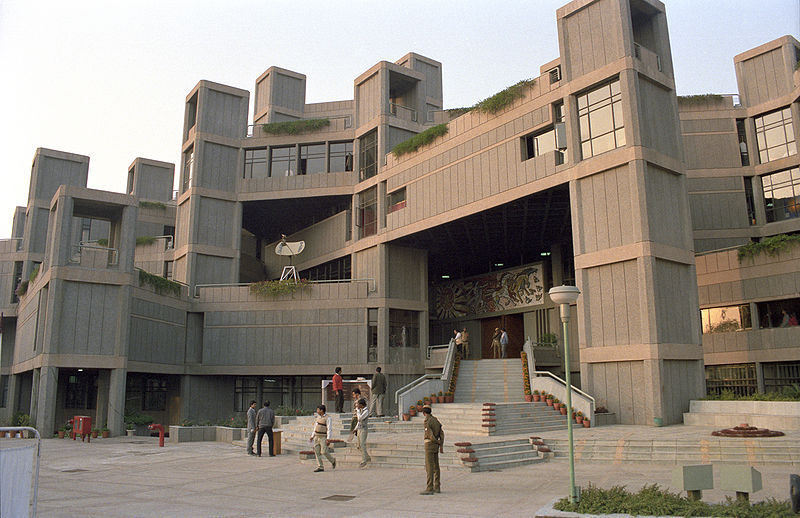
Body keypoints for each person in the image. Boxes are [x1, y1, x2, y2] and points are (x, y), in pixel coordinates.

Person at [420, 405, 444, 495]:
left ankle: (429, 487)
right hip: (435, 446)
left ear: (424, 413)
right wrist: (440, 443)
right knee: (436, 466)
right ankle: (437, 486)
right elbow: (441, 433)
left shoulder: (427, 421)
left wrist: (436, 442)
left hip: (430, 445)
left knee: (429, 467)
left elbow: (429, 434)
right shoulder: (435, 420)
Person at [310, 405, 336, 472]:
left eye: (318, 410)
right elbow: (315, 427)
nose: (317, 411)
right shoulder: (318, 418)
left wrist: (328, 439)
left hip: (323, 437)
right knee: (317, 452)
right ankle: (320, 466)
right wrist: (312, 436)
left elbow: (329, 429)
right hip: (316, 436)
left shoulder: (328, 418)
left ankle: (333, 461)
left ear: (322, 410)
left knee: (324, 451)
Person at [355, 398, 371, 468]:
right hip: (359, 429)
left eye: (358, 404)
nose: (357, 405)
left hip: (364, 429)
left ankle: (364, 460)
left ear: (361, 405)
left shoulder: (366, 411)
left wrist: (357, 411)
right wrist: (355, 429)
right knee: (358, 446)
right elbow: (358, 422)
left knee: (362, 444)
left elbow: (360, 418)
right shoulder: (360, 410)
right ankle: (367, 457)